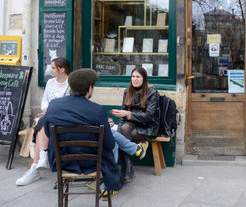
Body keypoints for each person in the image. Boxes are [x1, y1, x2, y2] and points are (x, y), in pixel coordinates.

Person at [43, 69, 122, 197]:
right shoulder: (97, 110)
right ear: (90, 88)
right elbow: (110, 144)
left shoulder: (54, 105)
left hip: (62, 161)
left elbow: (48, 133)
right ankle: (110, 185)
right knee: (112, 146)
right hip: (92, 163)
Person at [16, 57, 70, 186]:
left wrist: (49, 112)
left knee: (42, 120)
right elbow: (44, 101)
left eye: (52, 67)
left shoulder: (70, 83)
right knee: (42, 120)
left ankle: (38, 162)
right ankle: (39, 160)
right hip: (48, 117)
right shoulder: (50, 82)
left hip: (63, 119)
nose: (49, 70)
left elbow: (67, 105)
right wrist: (46, 110)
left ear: (62, 69)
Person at [112, 66, 159, 183]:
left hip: (148, 125)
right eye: (133, 76)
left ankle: (126, 170)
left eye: (138, 77)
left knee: (126, 134)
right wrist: (119, 132)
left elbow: (149, 116)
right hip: (131, 124)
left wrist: (128, 114)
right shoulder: (127, 91)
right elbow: (123, 116)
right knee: (124, 129)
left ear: (144, 79)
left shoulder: (152, 92)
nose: (135, 79)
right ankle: (128, 170)